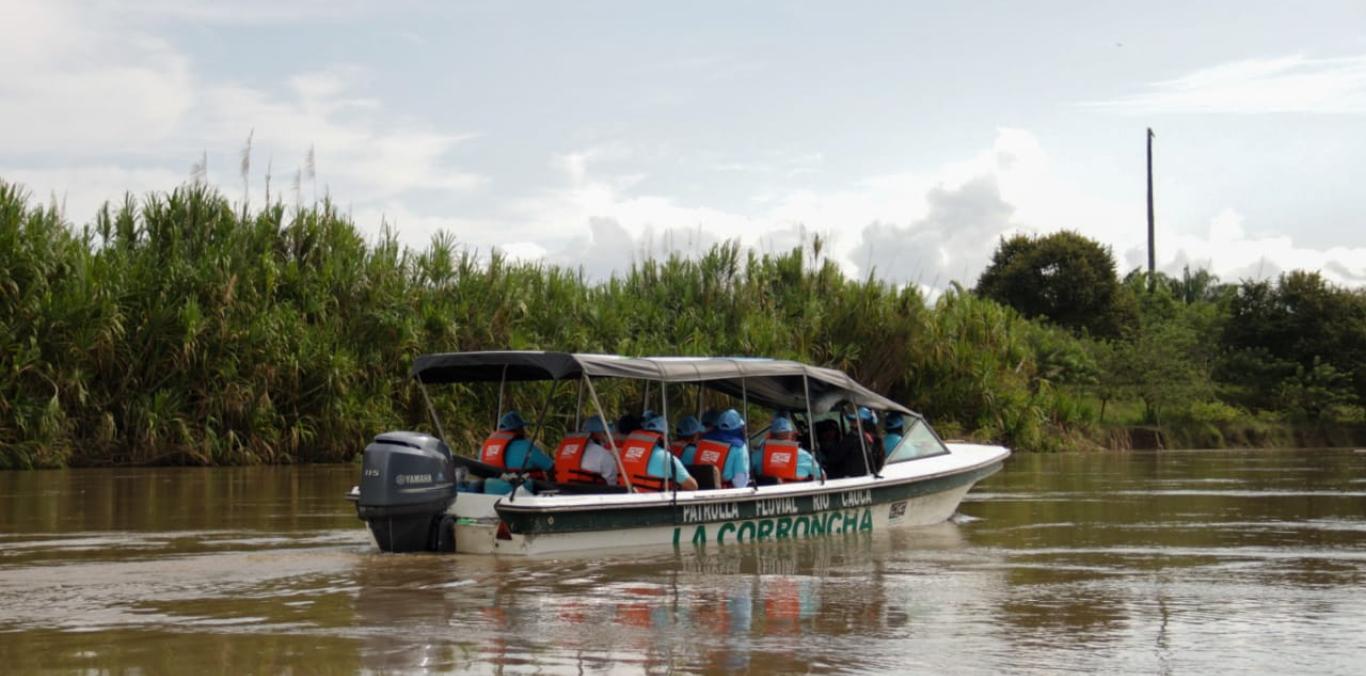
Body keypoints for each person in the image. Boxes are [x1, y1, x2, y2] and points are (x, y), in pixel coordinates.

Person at [617, 415, 697, 492]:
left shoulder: (624, 453)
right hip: (654, 504)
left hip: (626, 501)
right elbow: (693, 486)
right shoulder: (667, 458)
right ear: (664, 436)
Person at [690, 409, 751, 489]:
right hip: (724, 494)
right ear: (739, 427)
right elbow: (740, 483)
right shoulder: (739, 447)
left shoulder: (702, 442)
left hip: (699, 491)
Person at [479, 410, 554, 475]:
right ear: (518, 429)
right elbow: (551, 467)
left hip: (491, 488)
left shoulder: (485, 448)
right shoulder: (526, 446)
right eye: (522, 428)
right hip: (522, 488)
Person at [752, 416, 821, 481]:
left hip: (769, 492)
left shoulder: (758, 454)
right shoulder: (804, 455)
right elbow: (821, 476)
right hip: (798, 492)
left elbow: (746, 472)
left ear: (771, 435)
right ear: (792, 436)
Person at [828, 406, 879, 479]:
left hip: (851, 478)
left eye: (854, 421)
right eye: (852, 420)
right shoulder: (876, 439)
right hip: (869, 475)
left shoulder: (852, 438)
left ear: (862, 422)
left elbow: (833, 459)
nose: (851, 423)